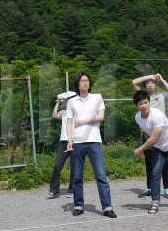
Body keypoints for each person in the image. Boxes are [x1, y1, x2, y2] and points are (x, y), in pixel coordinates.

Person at [66, 72, 116, 218]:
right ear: (77, 84)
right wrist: (69, 140)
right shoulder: (72, 102)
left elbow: (101, 117)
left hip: (94, 141)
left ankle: (107, 207)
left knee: (101, 176)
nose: (85, 83)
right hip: (78, 142)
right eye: (82, 81)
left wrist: (82, 121)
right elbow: (69, 122)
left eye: (87, 80)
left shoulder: (97, 98)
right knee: (77, 176)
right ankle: (78, 205)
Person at [132, 73, 168, 199]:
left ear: (156, 85)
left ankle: (167, 187)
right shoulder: (142, 97)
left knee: (163, 162)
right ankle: (150, 187)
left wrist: (162, 80)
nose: (150, 85)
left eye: (152, 83)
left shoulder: (161, 96)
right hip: (147, 133)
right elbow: (134, 82)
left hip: (160, 133)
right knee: (149, 161)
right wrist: (149, 76)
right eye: (148, 83)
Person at [47, 94, 75, 199]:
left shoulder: (78, 112)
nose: (67, 102)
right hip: (63, 143)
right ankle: (54, 190)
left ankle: (72, 190)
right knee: (57, 166)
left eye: (69, 100)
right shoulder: (63, 112)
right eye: (66, 100)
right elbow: (54, 115)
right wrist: (58, 102)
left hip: (75, 142)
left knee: (74, 167)